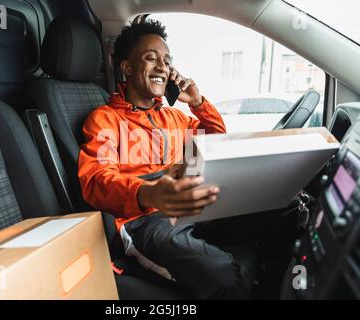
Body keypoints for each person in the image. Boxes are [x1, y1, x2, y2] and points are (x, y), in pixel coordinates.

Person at [78, 19, 300, 299]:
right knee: (222, 272)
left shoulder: (174, 117)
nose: (162, 67)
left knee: (285, 206)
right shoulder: (105, 119)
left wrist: (197, 102)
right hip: (144, 220)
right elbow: (95, 180)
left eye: (167, 61)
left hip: (189, 206)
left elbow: (215, 141)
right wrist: (148, 192)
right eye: (151, 58)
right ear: (127, 67)